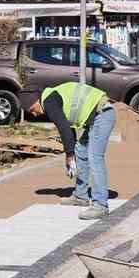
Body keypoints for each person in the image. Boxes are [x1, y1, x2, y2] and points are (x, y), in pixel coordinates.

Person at [29, 80, 116, 220]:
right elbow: (69, 128)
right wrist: (71, 154)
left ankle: (100, 205)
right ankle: (81, 196)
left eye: (32, 110)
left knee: (95, 157)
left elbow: (64, 129)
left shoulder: (49, 102)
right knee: (80, 150)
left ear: (35, 102)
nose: (34, 114)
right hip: (96, 116)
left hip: (102, 114)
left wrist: (69, 156)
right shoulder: (53, 96)